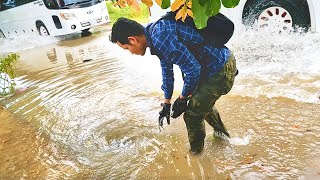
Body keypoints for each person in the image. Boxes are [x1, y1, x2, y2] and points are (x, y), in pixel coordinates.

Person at [110, 16, 238, 155]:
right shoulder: (155, 32)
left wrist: (182, 99)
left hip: (219, 69)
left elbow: (193, 71)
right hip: (218, 64)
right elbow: (167, 71)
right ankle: (223, 138)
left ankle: (196, 156)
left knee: (192, 115)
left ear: (132, 40)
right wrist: (167, 102)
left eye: (127, 48)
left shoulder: (159, 38)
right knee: (200, 105)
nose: (130, 52)